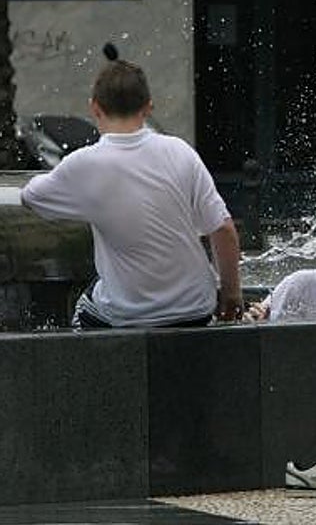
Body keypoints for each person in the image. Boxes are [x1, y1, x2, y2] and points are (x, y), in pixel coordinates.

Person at [20, 57, 242, 328]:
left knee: (83, 307)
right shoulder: (180, 152)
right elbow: (224, 230)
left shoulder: (84, 165)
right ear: (148, 107)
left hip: (128, 315)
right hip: (195, 308)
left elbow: (30, 196)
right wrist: (231, 294)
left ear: (95, 108)